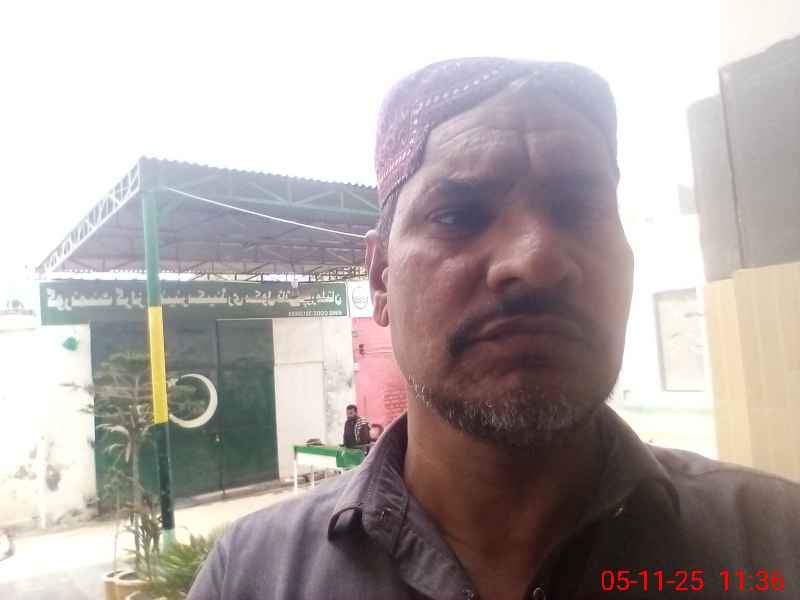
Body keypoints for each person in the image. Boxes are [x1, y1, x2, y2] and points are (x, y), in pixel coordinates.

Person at [188, 58, 800, 600]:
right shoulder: (252, 577)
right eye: (458, 215)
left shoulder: (776, 551)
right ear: (380, 280)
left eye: (579, 210)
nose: (535, 261)